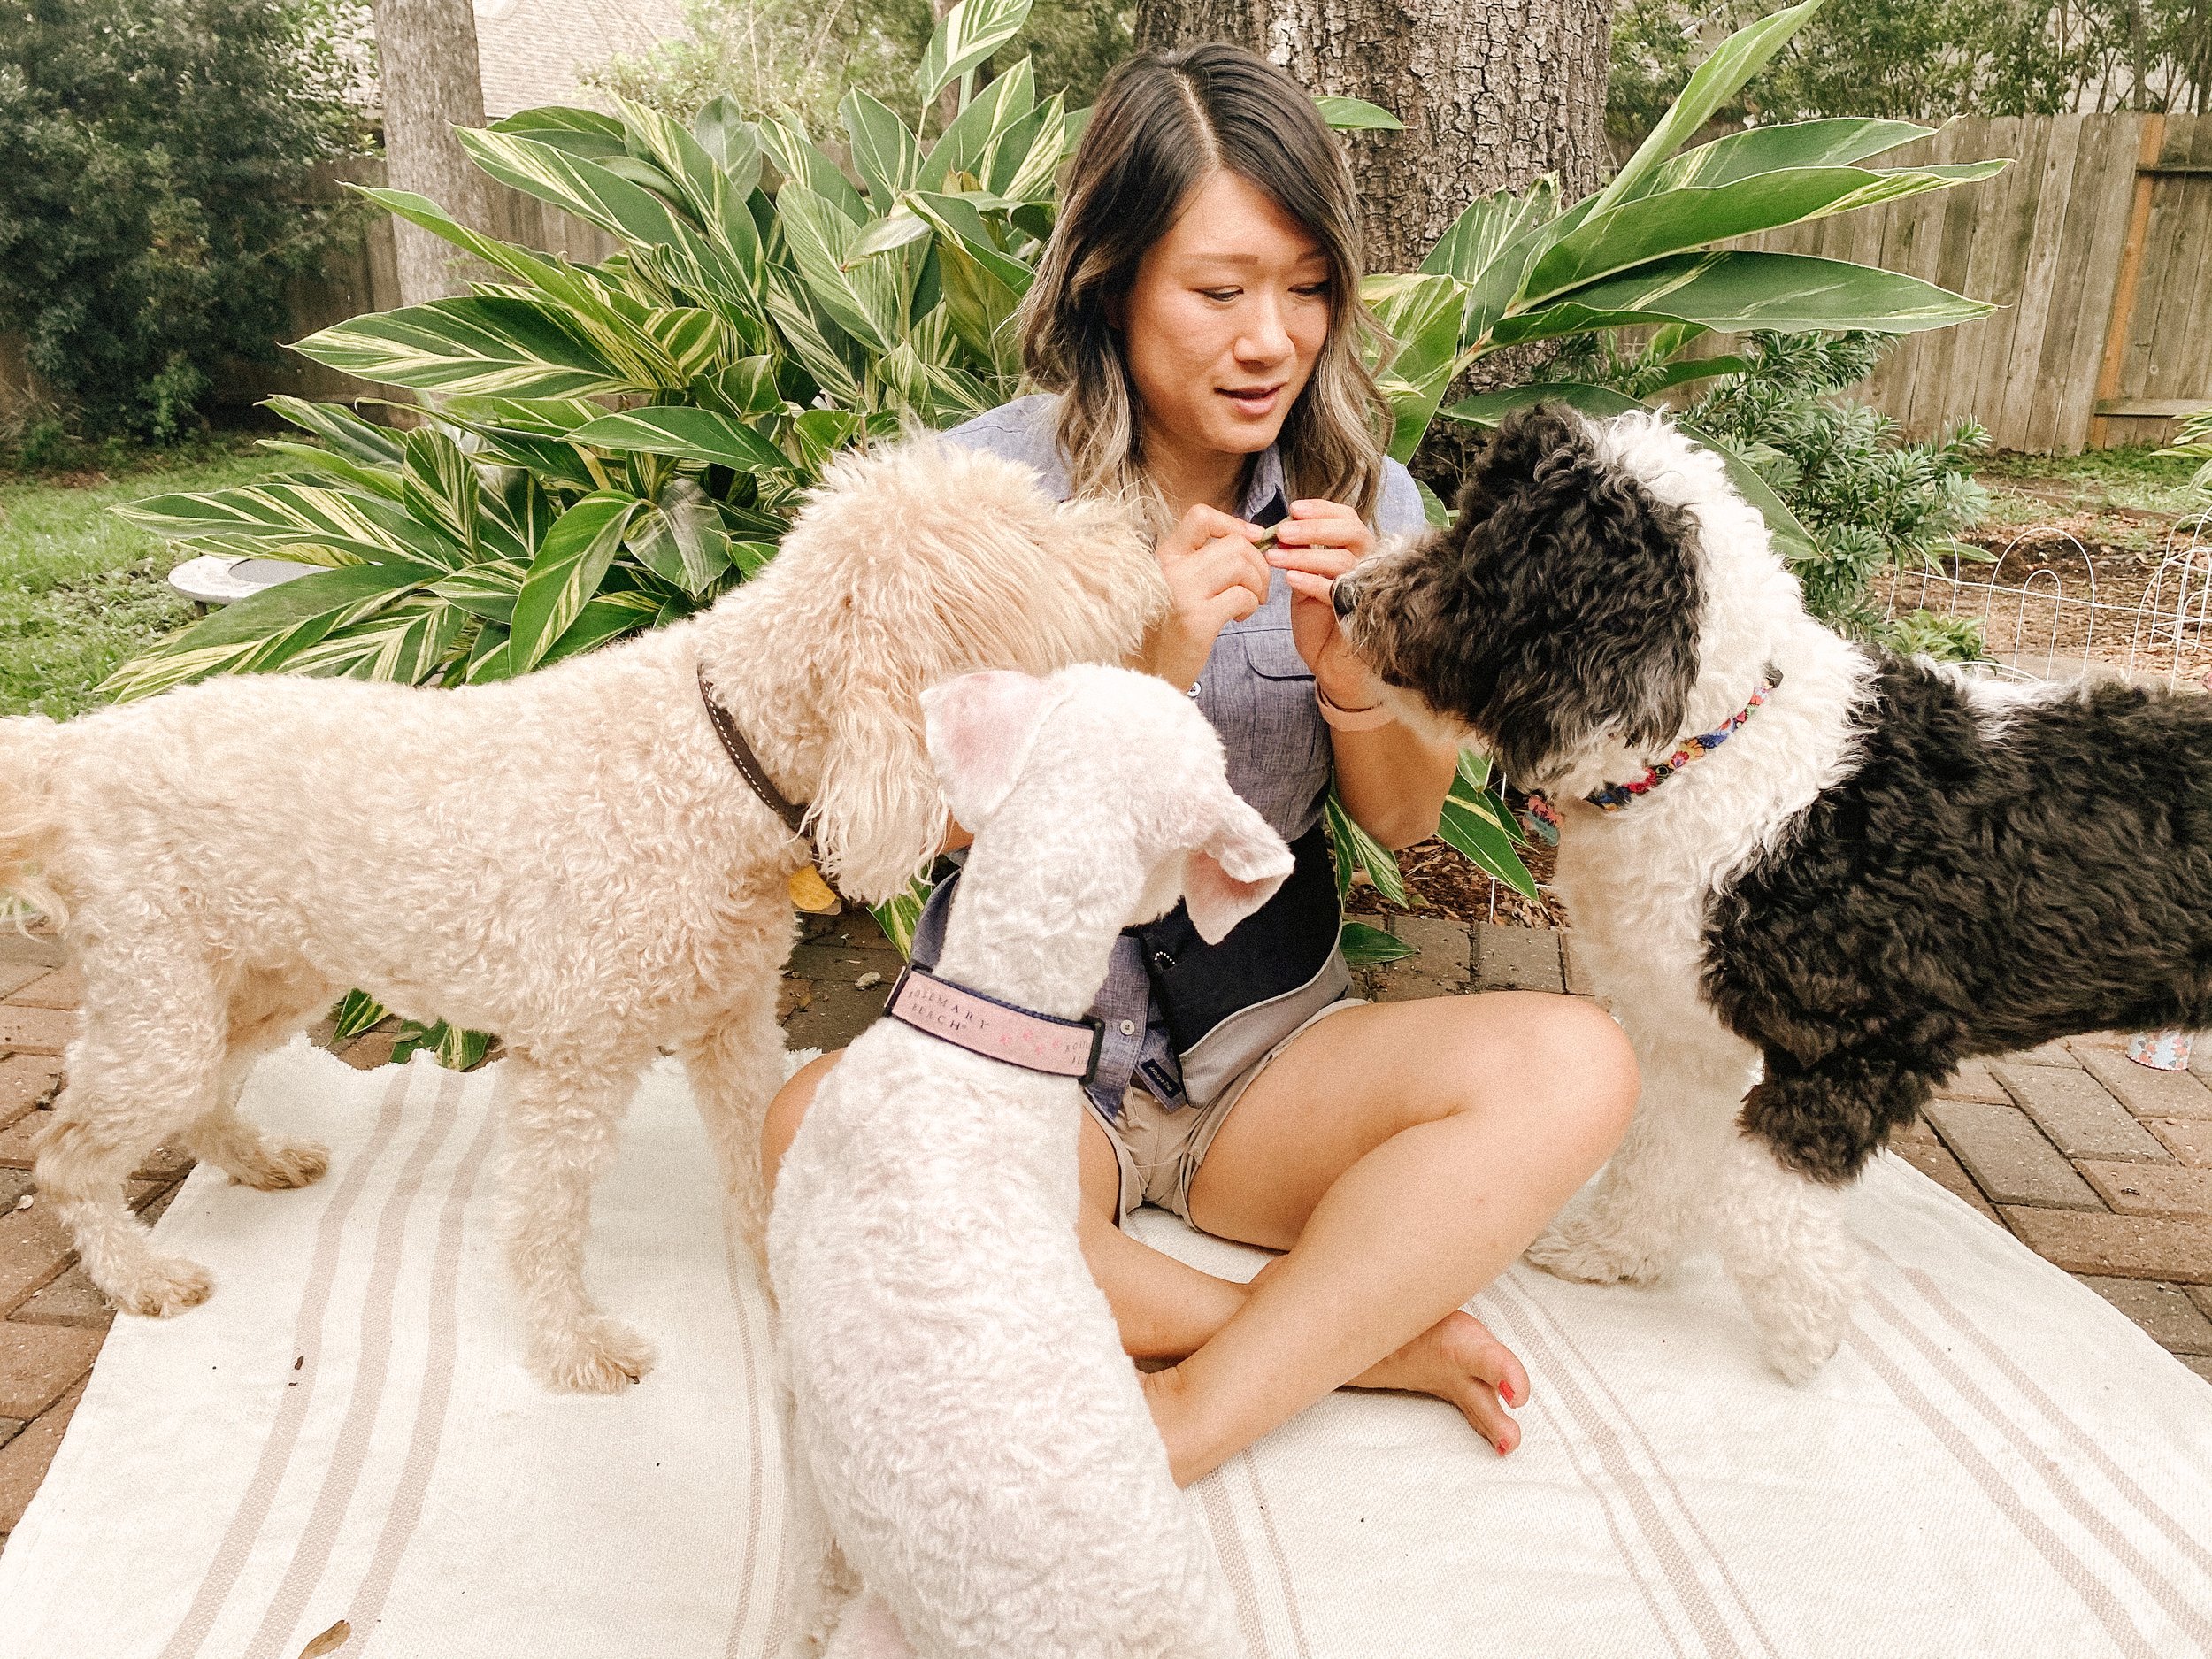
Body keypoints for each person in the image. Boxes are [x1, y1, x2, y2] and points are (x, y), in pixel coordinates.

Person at [762, 42, 1639, 1488]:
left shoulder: (1367, 501)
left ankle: (1190, 1413)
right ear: (1110, 282)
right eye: (1220, 291)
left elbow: (1408, 819)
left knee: (1576, 1060)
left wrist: (1355, 682)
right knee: (812, 1142)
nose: (1270, 341)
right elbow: (907, 837)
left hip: (1268, 1054)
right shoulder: (971, 505)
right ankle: (1328, 1337)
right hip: (1029, 1048)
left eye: (1306, 288)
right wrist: (1145, 673)